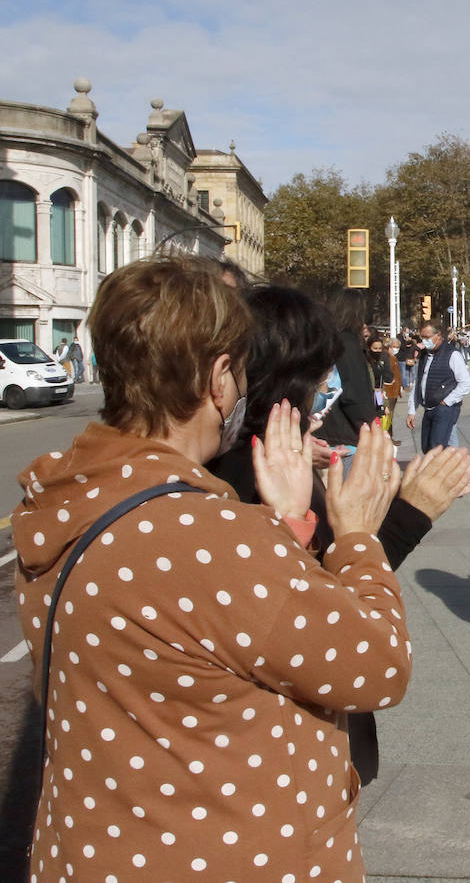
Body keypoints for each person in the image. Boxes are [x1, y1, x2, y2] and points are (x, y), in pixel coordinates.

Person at [12, 256, 409, 879]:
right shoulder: (205, 534)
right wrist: (357, 538)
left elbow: (177, 654)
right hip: (220, 853)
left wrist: (283, 531)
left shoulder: (61, 498)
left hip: (91, 848)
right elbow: (376, 666)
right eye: (243, 368)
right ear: (219, 379)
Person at [210, 284, 470, 785]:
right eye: (319, 375)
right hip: (285, 762)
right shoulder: (246, 479)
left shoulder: (252, 458)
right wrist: (406, 514)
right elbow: (347, 635)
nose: (323, 391)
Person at [315, 288, 376, 454]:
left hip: (322, 432)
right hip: (346, 437)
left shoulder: (323, 341)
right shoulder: (347, 345)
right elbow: (355, 393)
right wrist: (372, 427)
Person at [408, 320, 470, 453]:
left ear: (438, 335)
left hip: (444, 408)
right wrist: (412, 410)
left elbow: (466, 383)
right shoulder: (425, 355)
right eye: (422, 337)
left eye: (427, 337)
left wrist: (447, 401)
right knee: (427, 447)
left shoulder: (452, 354)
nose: (424, 341)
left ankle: (446, 471)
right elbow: (419, 383)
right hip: (429, 407)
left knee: (437, 447)